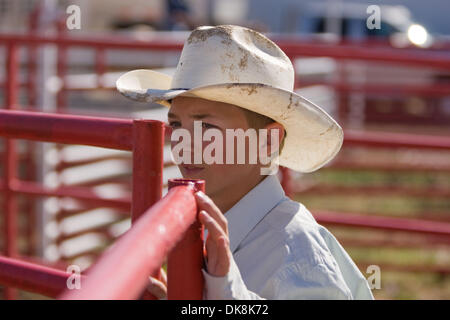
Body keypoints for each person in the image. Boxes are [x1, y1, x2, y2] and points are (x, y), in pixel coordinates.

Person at [116, 25, 374, 300]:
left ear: (267, 142)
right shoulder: (236, 233)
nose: (185, 144)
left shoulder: (298, 258)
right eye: (177, 125)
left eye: (208, 128)